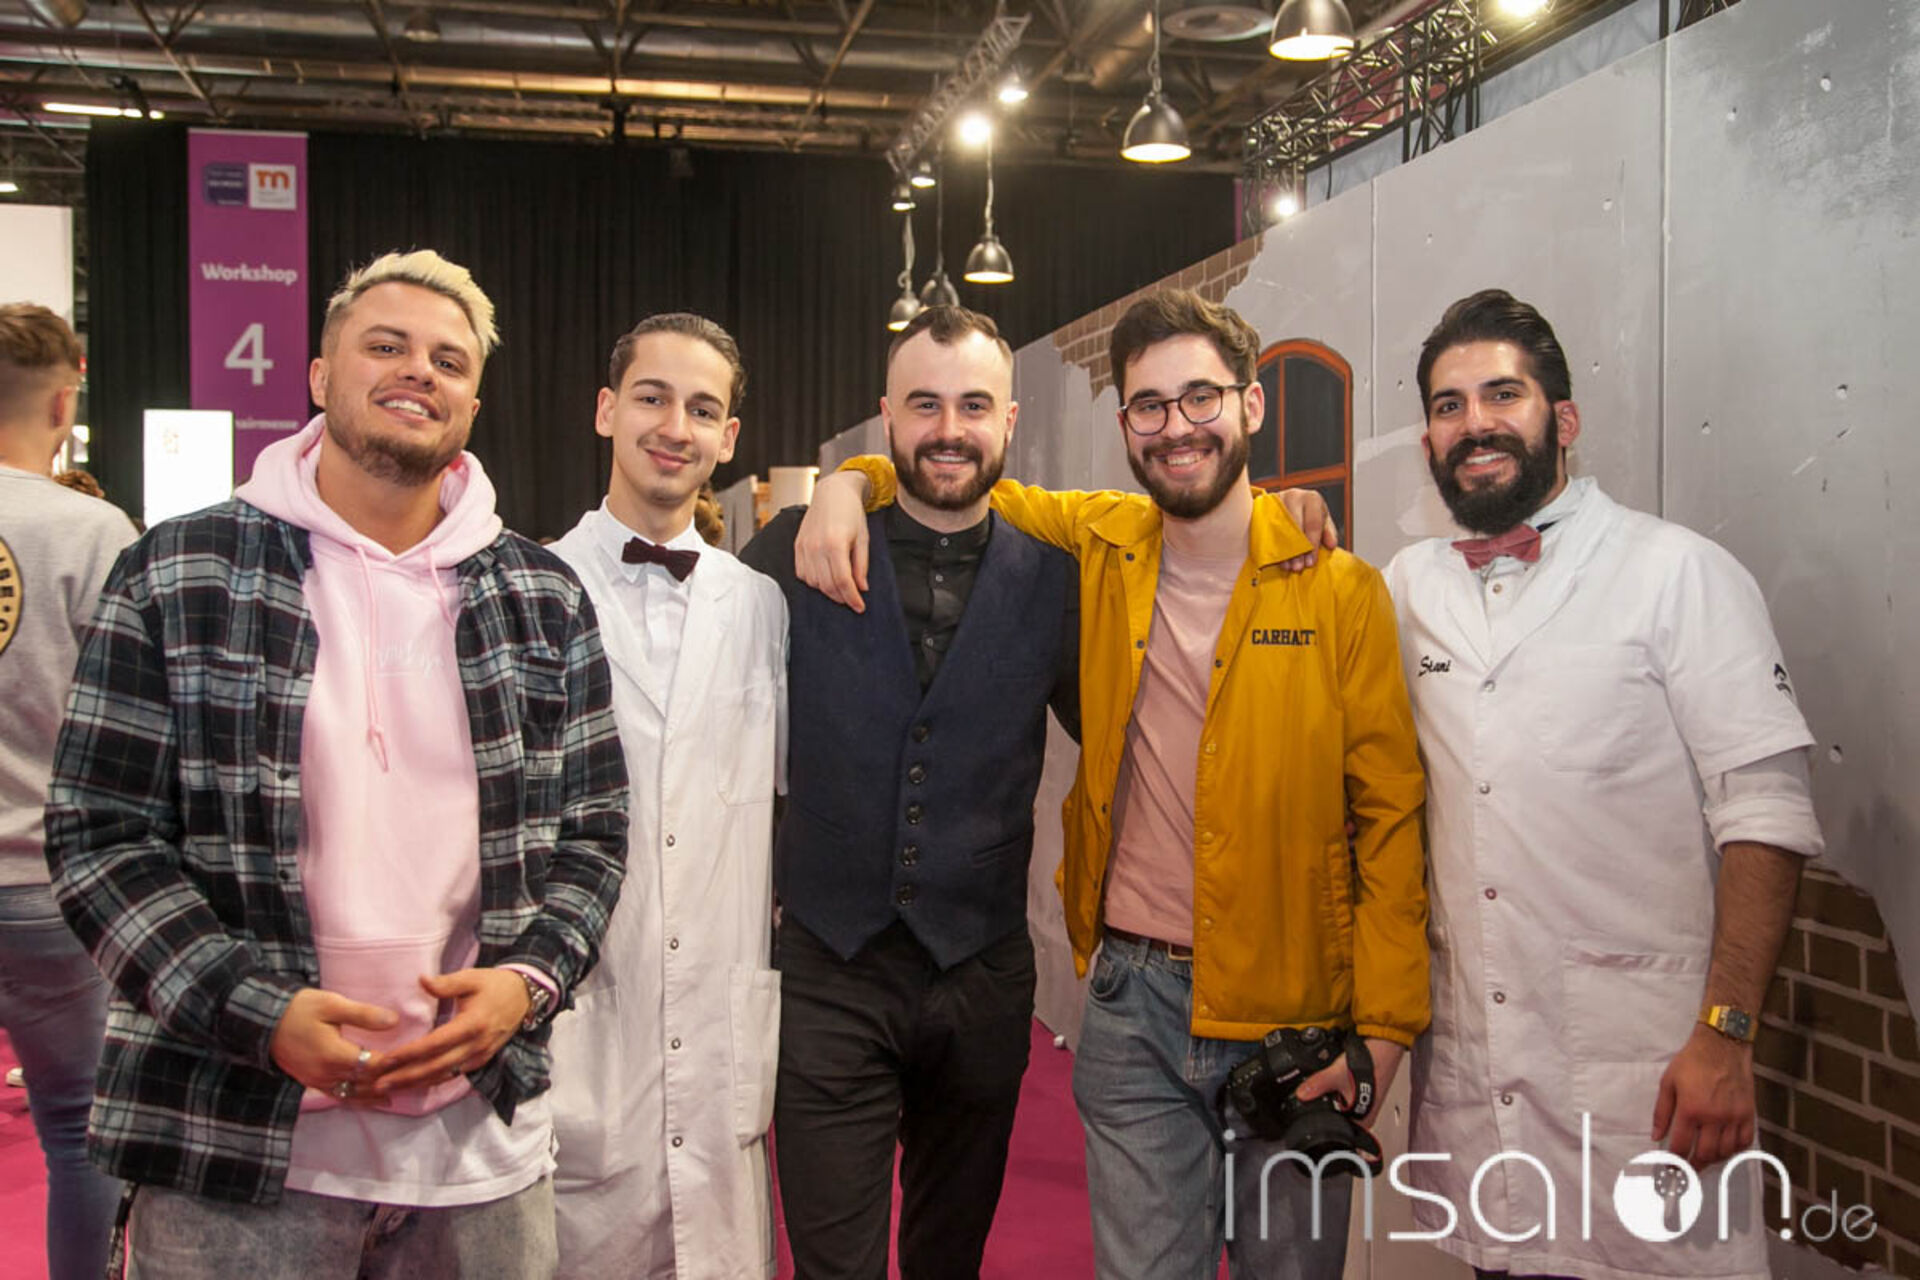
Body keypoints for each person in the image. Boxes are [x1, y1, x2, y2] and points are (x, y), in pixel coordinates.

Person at [797, 288, 1429, 1279]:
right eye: (1149, 405)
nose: (1177, 426)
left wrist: (1385, 1030)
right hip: (1132, 1004)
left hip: (1294, 1011)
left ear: (1252, 404)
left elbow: (1389, 818)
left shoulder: (1340, 589)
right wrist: (845, 484)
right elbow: (957, 475)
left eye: (1200, 397)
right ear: (1125, 423)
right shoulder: (1100, 544)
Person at [43, 250, 630, 1279]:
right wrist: (254, 1010)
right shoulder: (179, 570)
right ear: (319, 375)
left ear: (474, 402)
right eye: (386, 345)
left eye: (449, 360)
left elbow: (594, 833)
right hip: (231, 1138)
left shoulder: (544, 596)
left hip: (480, 1151)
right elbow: (100, 834)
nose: (419, 371)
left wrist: (527, 983)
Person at [1387, 289, 1821, 1280]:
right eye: (1449, 405)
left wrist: (1727, 1034)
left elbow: (1767, 816)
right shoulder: (1407, 586)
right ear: (1427, 440)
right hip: (1480, 1081)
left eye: (1503, 394)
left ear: (1565, 418)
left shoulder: (1680, 573)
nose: (1475, 423)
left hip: (1652, 1081)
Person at [740, 305, 1078, 1280]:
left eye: (973, 405)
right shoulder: (794, 552)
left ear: (1009, 419)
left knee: (948, 1259)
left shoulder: (1059, 580)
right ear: (886, 417)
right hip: (829, 969)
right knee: (833, 1264)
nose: (948, 429)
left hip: (982, 976)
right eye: (924, 404)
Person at [545, 314, 785, 1279]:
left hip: (720, 1032)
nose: (675, 427)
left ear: (729, 438)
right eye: (653, 398)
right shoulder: (533, 587)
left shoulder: (763, 607)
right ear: (607, 410)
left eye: (703, 408)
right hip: (585, 1025)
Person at [0, 302, 135, 1280]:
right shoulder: (91, 531)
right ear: (63, 402)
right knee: (80, 1132)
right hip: (46, 883)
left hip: (47, 889)